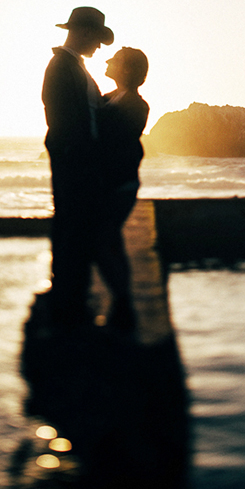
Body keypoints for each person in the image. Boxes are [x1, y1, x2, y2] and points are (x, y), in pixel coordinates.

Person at [42, 6, 114, 328]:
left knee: (74, 223)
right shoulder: (62, 66)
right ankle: (68, 298)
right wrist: (77, 153)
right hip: (74, 159)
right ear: (83, 32)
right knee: (72, 223)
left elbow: (88, 110)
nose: (98, 47)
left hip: (78, 159)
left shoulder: (74, 67)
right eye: (97, 39)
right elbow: (60, 117)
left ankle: (69, 295)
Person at [96, 47, 149, 333]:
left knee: (104, 239)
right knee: (109, 240)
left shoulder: (135, 105)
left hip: (120, 184)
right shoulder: (109, 98)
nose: (107, 61)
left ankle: (123, 302)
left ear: (127, 70)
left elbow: (114, 141)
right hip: (112, 182)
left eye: (114, 59)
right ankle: (121, 302)